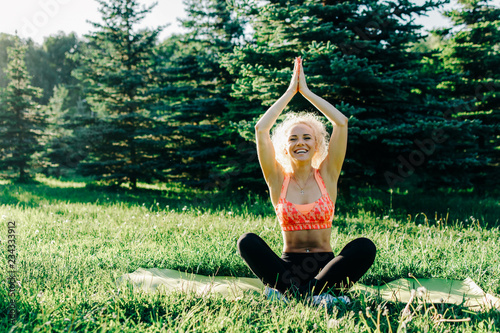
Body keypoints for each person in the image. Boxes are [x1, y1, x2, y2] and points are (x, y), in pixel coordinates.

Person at [237, 57, 376, 305]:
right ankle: (312, 296)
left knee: (365, 246)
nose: (300, 142)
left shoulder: (327, 175)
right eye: (293, 139)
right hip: (287, 269)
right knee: (247, 242)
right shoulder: (277, 179)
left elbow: (341, 122)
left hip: (327, 269)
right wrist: (291, 91)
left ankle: (301, 293)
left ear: (316, 144)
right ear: (285, 146)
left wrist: (307, 92)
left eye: (306, 137)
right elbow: (261, 129)